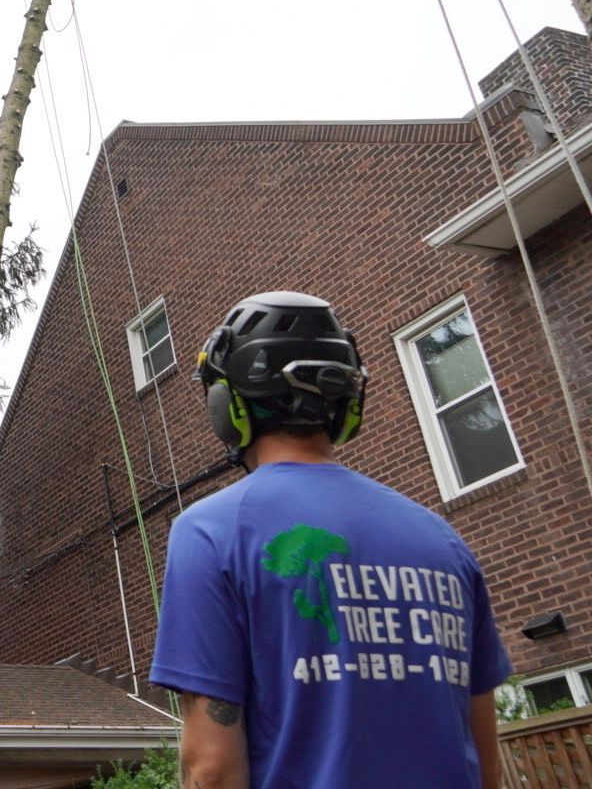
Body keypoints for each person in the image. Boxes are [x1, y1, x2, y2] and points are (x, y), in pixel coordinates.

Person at [150, 291, 511, 789]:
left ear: (228, 404)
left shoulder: (211, 533)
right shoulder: (442, 541)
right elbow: (487, 765)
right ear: (347, 404)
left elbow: (212, 771)